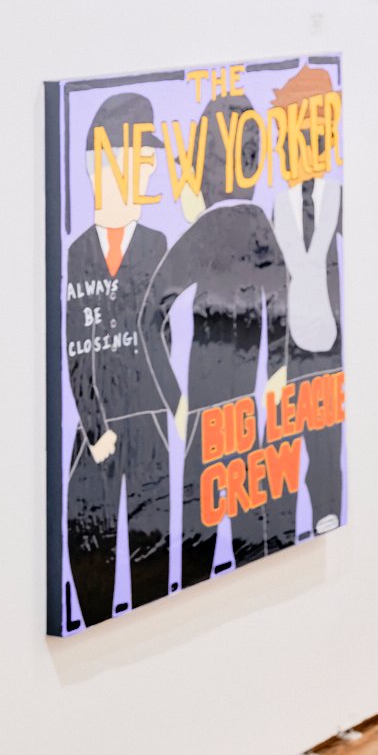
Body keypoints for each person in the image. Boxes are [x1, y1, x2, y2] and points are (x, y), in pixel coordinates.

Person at [141, 92, 290, 586]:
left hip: (230, 408)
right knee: (221, 533)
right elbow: (150, 317)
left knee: (229, 528)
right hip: (222, 404)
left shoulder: (238, 224)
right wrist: (177, 398)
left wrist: (273, 373)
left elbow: (279, 302)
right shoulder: (231, 226)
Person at [61, 92, 173, 627]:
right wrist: (95, 429)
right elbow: (74, 354)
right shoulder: (77, 253)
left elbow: (162, 339)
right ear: (98, 167)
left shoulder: (157, 245)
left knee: (152, 546)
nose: (148, 172)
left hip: (148, 427)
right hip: (96, 435)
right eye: (139, 161)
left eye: (149, 162)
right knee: (89, 538)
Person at [267, 64, 345, 542]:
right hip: (290, 339)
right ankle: (281, 521)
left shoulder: (339, 195)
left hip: (331, 339)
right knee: (284, 431)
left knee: (326, 433)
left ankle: (327, 509)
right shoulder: (278, 203)